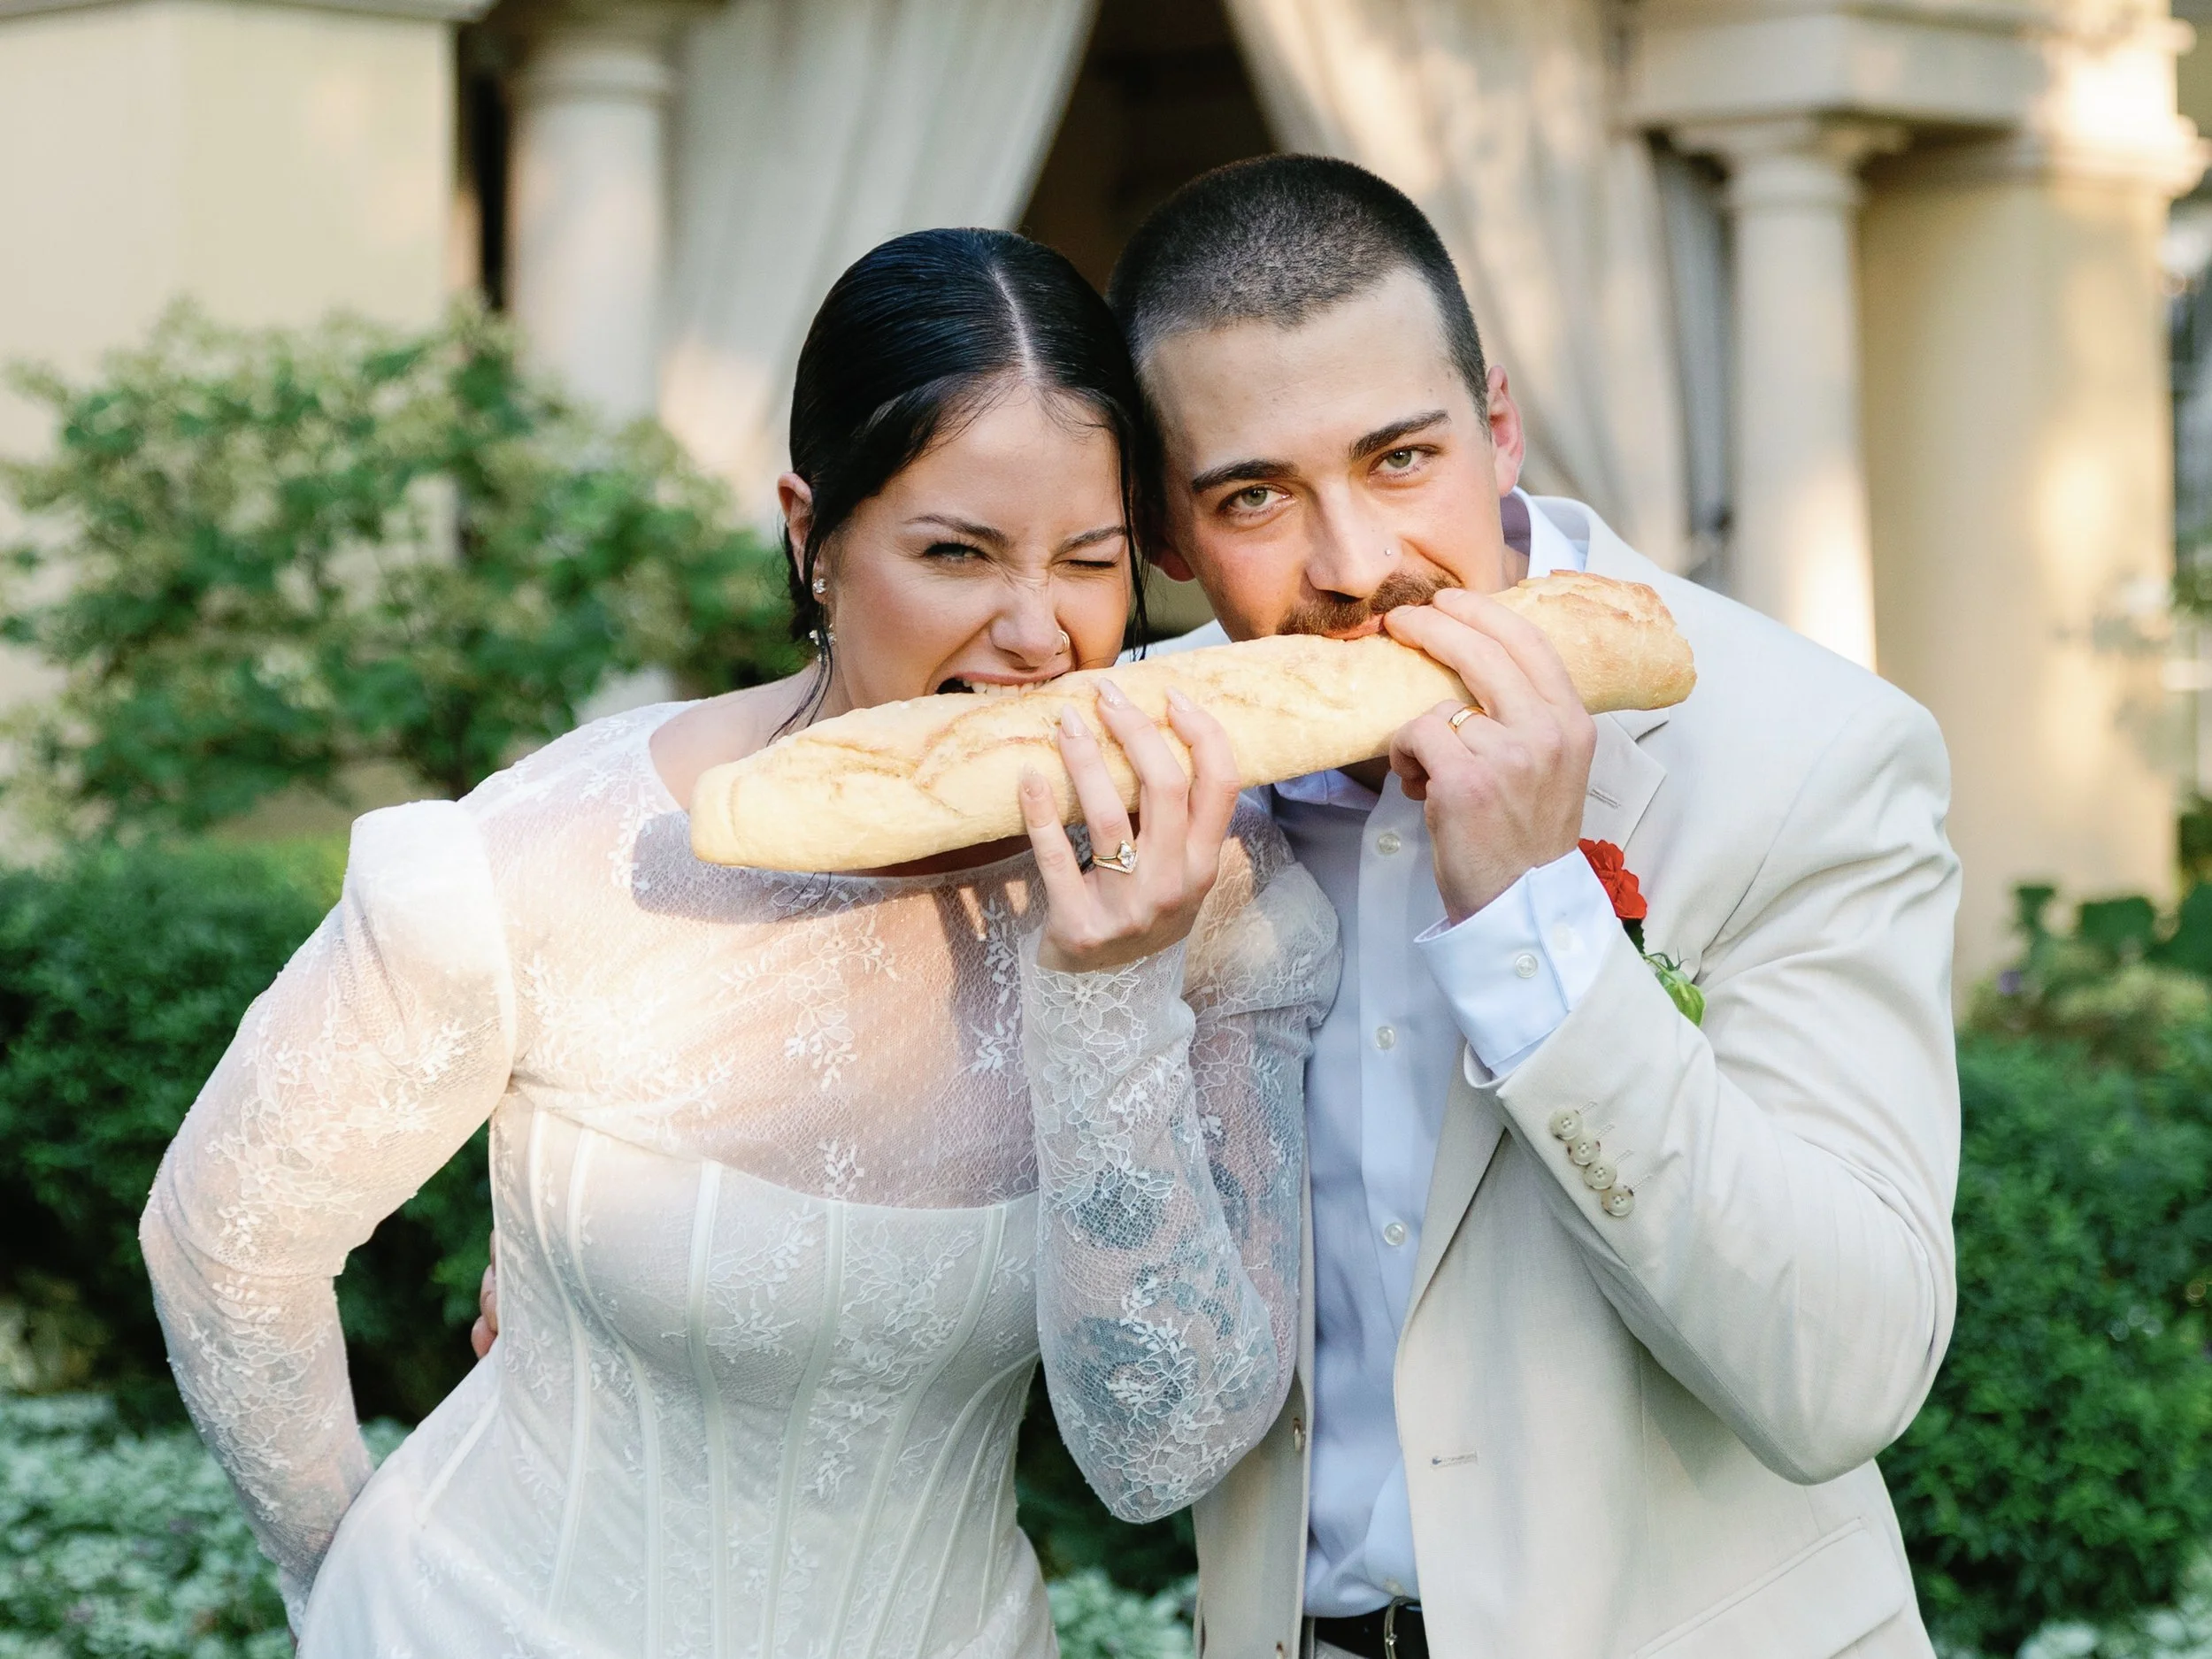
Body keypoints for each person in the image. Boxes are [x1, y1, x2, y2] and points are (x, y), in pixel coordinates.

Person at [138, 227, 1339, 1659]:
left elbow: (1167, 1451)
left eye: (1088, 561)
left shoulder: (1208, 890)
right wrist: (350, 1579)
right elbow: (225, 1238)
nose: (1037, 630)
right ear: (808, 534)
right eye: (956, 551)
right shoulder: (568, 851)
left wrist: (1108, 997)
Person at [1103, 157, 1961, 1659]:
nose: (1356, 564)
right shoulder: (1152, 771)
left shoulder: (1810, 750)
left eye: (1400, 459)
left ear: (1498, 426)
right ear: (1168, 538)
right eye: (1256, 496)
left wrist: (1538, 924)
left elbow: (1845, 1372)